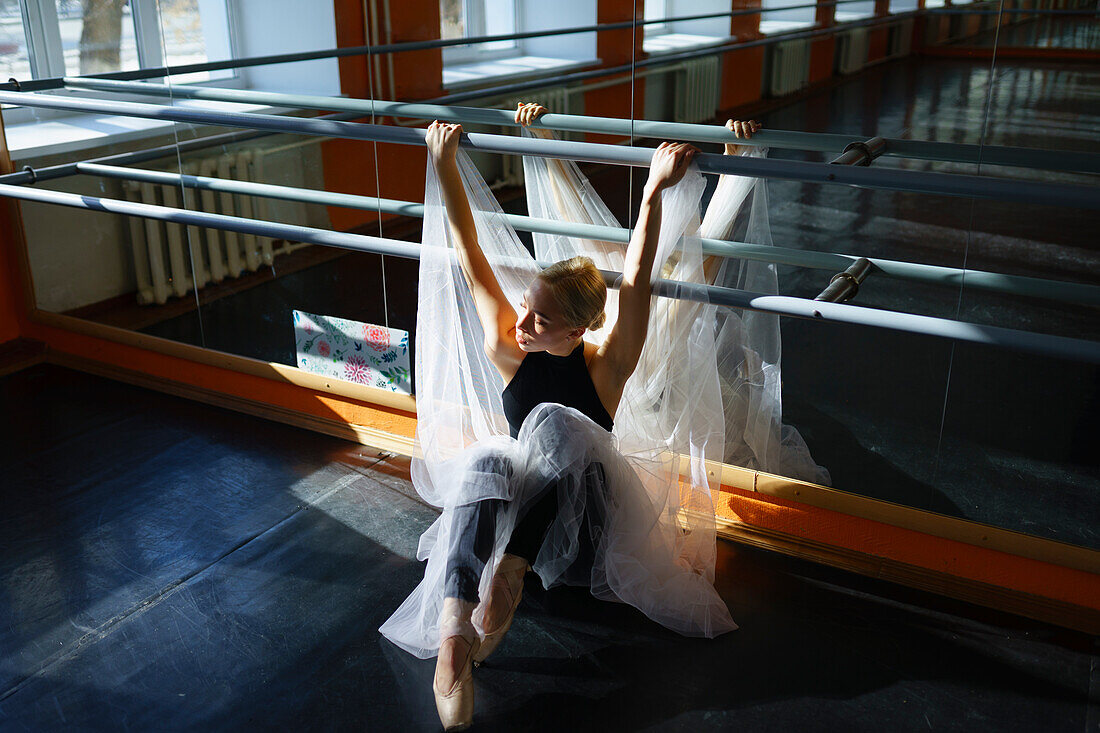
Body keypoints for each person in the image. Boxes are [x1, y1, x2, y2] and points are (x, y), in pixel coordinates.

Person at [379, 119, 740, 731]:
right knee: (487, 459)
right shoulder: (511, 351)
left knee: (555, 425)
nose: (521, 322)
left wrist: (653, 192)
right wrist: (443, 166)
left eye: (540, 319)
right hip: (526, 518)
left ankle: (512, 571)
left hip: (590, 529)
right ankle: (452, 631)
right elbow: (472, 262)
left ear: (577, 332)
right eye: (525, 306)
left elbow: (639, 279)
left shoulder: (607, 368)